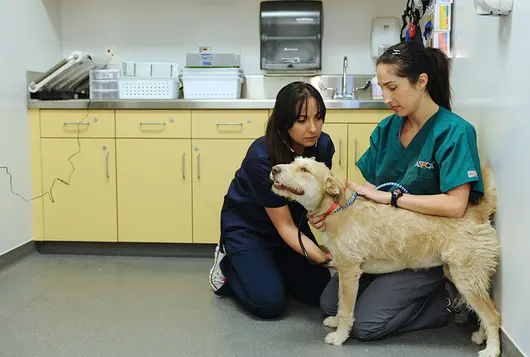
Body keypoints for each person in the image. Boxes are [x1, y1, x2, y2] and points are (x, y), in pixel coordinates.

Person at [310, 41, 484, 341]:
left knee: (365, 326)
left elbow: (456, 206)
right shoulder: (387, 129)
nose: (386, 97)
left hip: (426, 247)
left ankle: (444, 302)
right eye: (381, 88)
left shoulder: (454, 131)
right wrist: (333, 212)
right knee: (328, 304)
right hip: (385, 241)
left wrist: (394, 198)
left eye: (393, 87)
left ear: (421, 82)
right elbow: (369, 190)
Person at [208, 81, 335, 319]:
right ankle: (228, 266)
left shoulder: (323, 145)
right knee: (269, 304)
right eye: (301, 120)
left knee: (319, 293)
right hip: (250, 230)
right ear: (283, 119)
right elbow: (283, 225)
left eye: (318, 117)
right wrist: (325, 258)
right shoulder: (261, 157)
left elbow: (318, 196)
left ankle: (269, 269)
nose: (313, 128)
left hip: (292, 227)